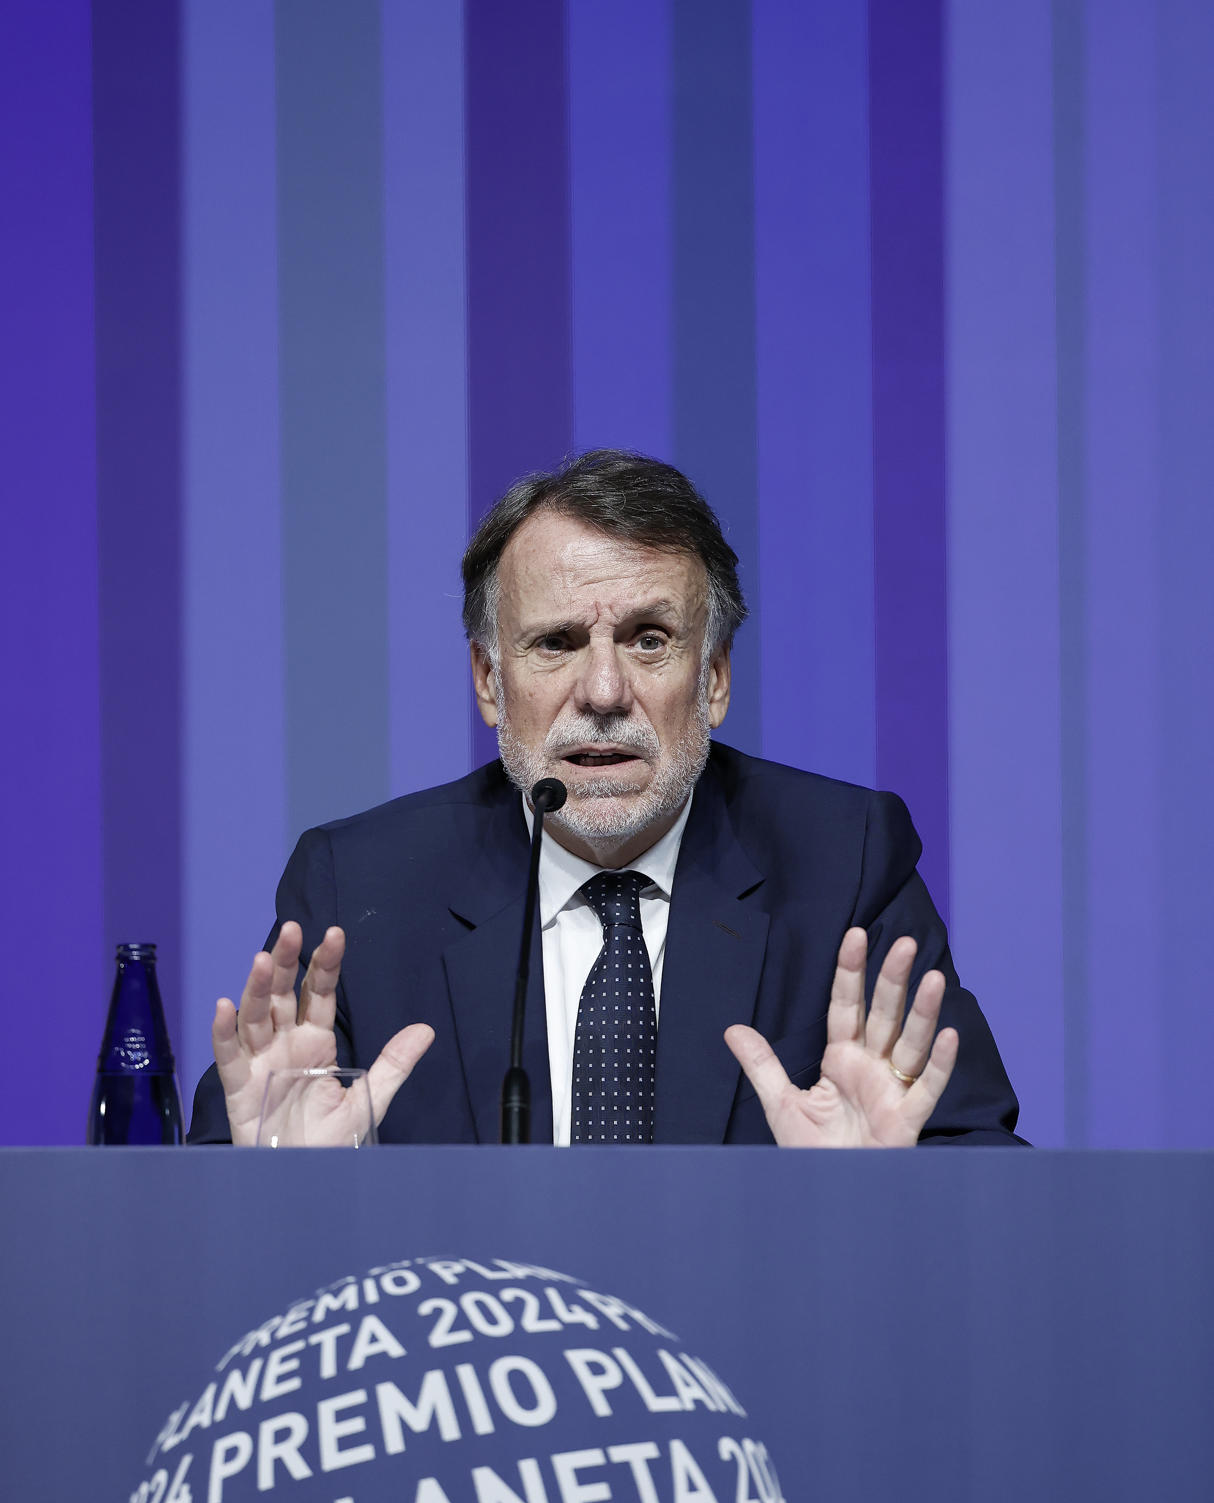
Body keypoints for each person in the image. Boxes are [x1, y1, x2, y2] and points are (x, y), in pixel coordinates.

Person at [189, 451, 1023, 1149]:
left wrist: (879, 1195)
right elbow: (208, 1225)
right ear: (488, 680)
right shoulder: (360, 884)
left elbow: (990, 1180)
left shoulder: (844, 861)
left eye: (649, 640)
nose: (602, 691)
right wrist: (283, 1190)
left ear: (716, 678)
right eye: (555, 642)